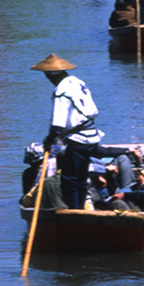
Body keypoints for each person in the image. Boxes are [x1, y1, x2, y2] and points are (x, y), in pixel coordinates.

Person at [33, 53, 106, 211]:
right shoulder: (77, 81)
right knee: (81, 177)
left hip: (79, 138)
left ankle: (75, 211)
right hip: (91, 136)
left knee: (70, 179)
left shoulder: (61, 90)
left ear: (50, 74)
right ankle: (79, 207)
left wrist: (49, 139)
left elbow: (57, 124)